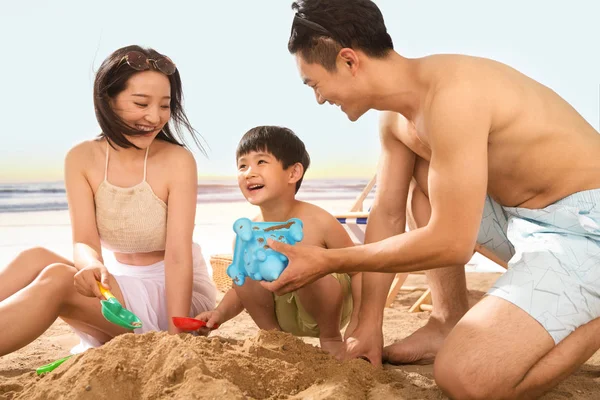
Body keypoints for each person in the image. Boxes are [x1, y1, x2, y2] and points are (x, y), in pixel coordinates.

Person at [261, 1, 600, 398]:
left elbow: (452, 243)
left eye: (315, 83)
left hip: (584, 228)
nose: (319, 98)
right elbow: (387, 214)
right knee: (422, 178)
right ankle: (446, 318)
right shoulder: (396, 119)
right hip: (524, 218)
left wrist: (330, 260)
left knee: (465, 378)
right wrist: (370, 323)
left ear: (349, 61)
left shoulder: (453, 96)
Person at [0, 45, 216, 356]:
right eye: (141, 103)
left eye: (165, 106)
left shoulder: (177, 160)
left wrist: (175, 337)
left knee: (59, 280)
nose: (155, 117)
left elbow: (179, 256)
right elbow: (84, 241)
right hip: (118, 283)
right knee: (34, 258)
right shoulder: (81, 158)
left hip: (171, 295)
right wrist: (91, 266)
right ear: (108, 99)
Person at [195, 125, 361, 358]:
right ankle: (273, 335)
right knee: (247, 268)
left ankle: (330, 338)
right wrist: (218, 314)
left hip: (325, 313)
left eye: (261, 162)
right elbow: (240, 287)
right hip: (281, 313)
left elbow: (358, 270)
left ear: (293, 173)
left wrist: (358, 324)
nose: (248, 172)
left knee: (306, 260)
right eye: (242, 165)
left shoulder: (319, 221)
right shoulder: (246, 233)